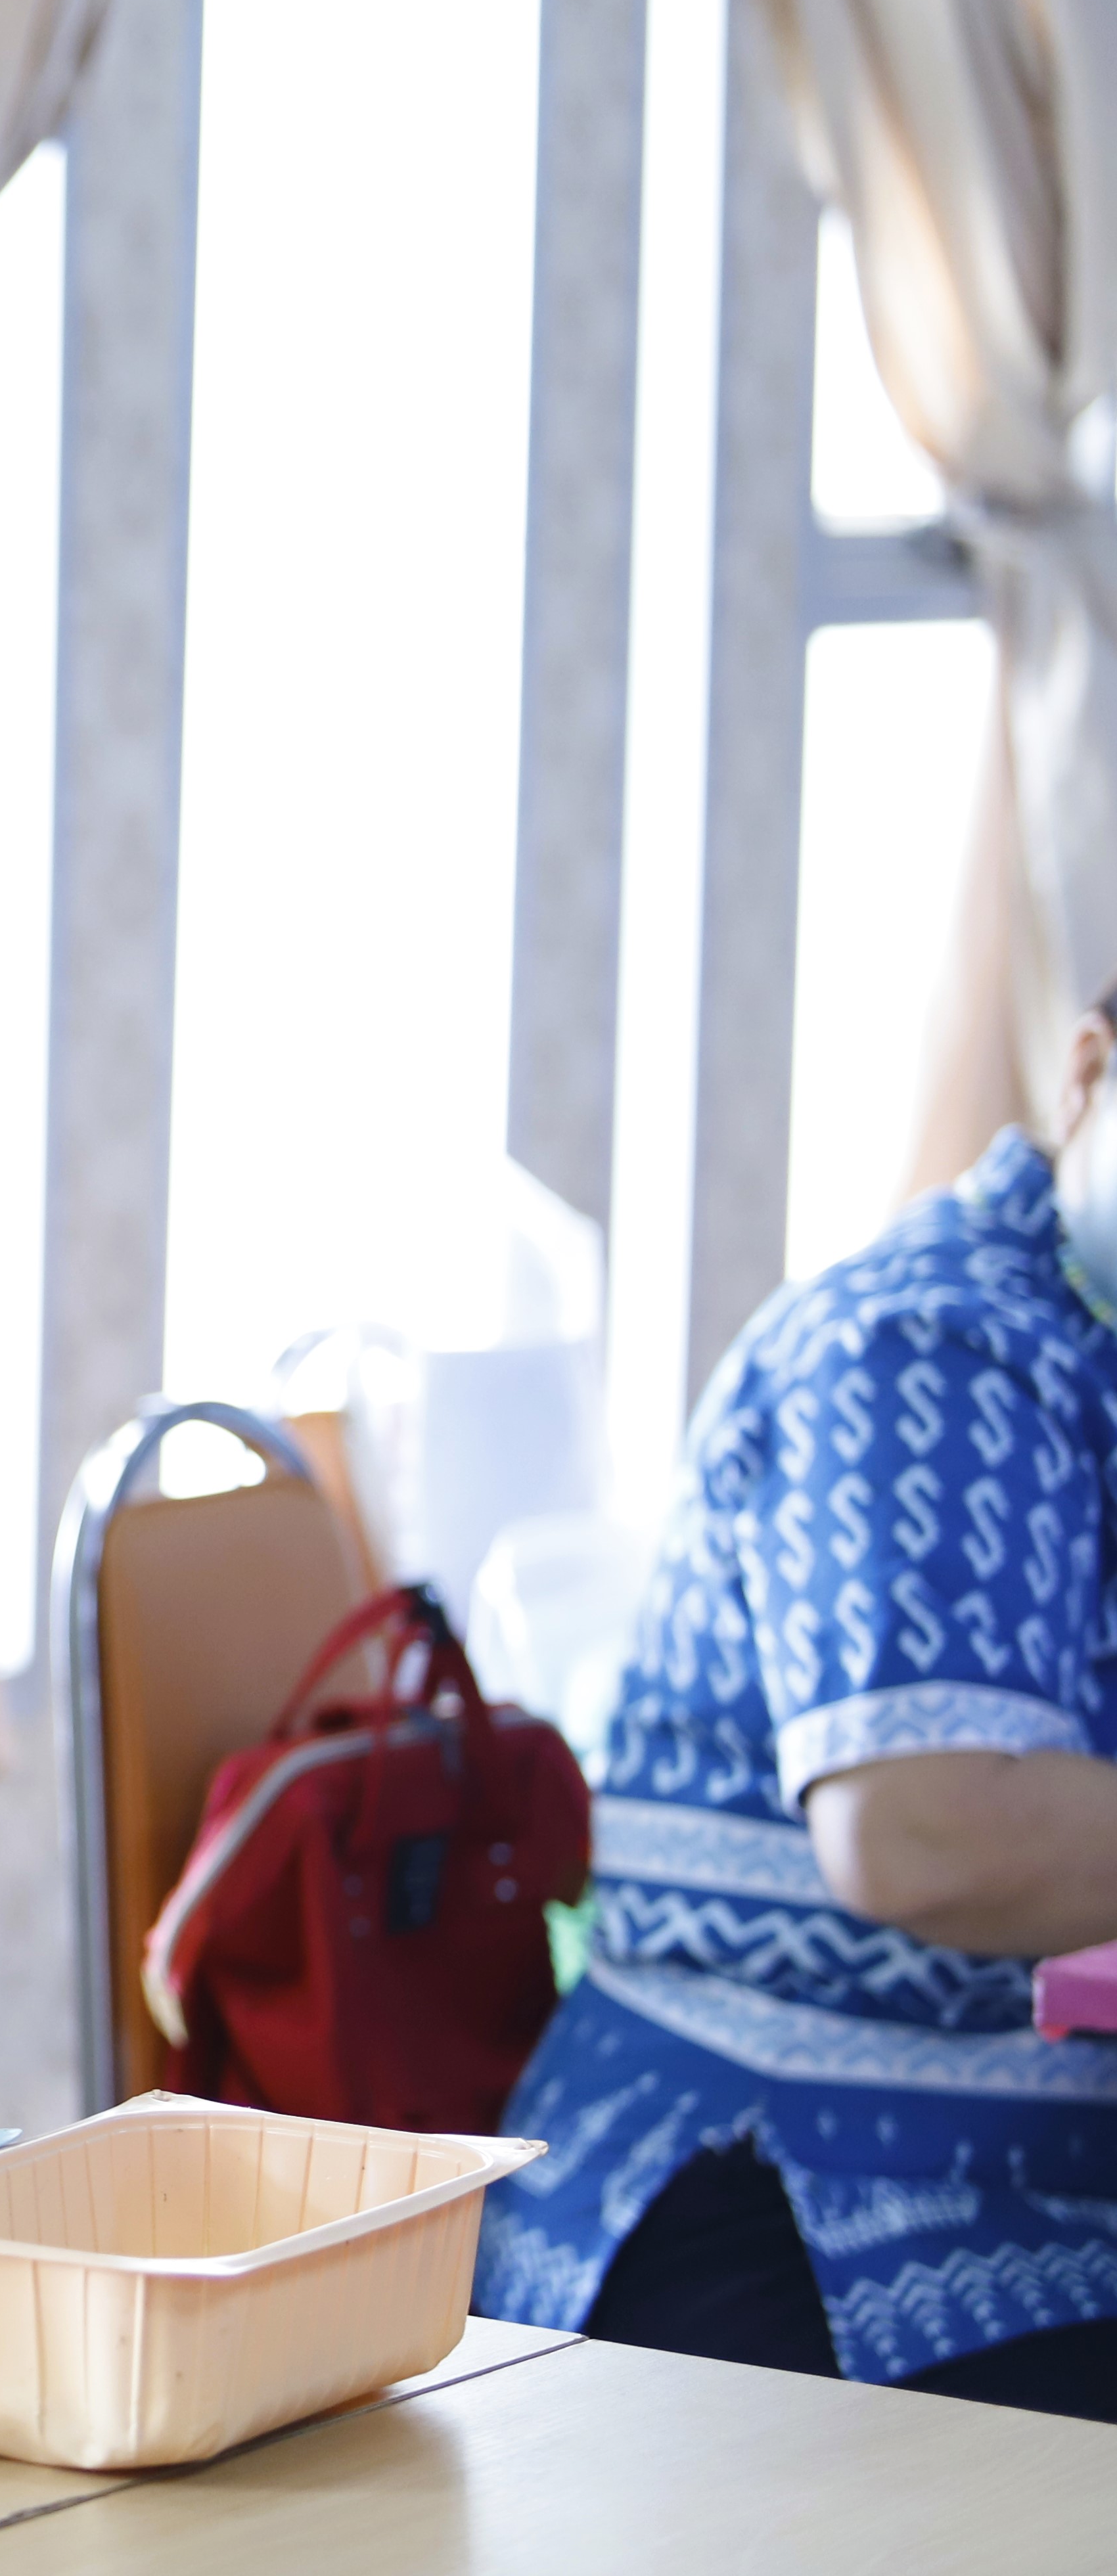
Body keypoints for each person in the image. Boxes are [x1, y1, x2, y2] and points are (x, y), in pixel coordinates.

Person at [477, 991, 1117, 2420]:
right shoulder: (927, 1343)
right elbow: (926, 1829)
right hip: (797, 2189)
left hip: (1034, 2182)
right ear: (1088, 1068)